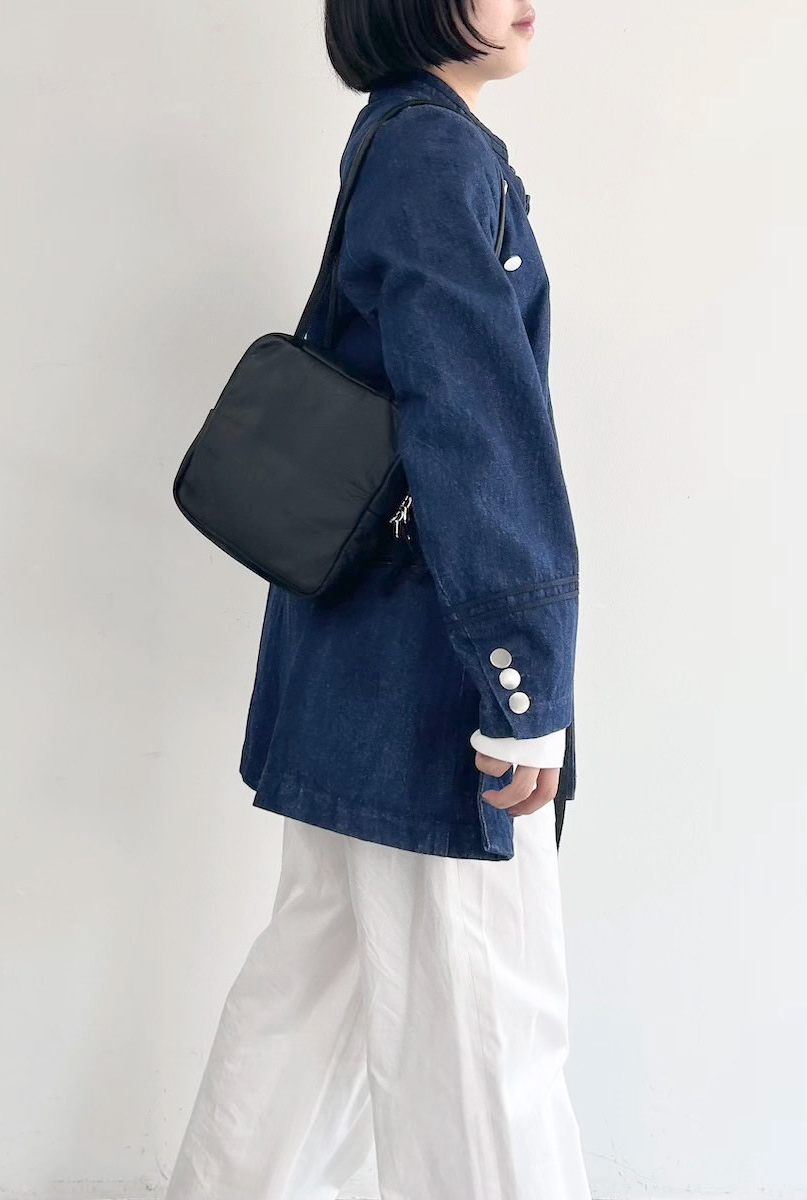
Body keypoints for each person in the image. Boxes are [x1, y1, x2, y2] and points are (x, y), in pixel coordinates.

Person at [165, 1, 590, 1196]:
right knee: (489, 1039)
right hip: (429, 675)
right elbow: (472, 425)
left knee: (315, 996)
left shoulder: (403, 138)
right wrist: (521, 675)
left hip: (357, 659)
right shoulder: (435, 153)